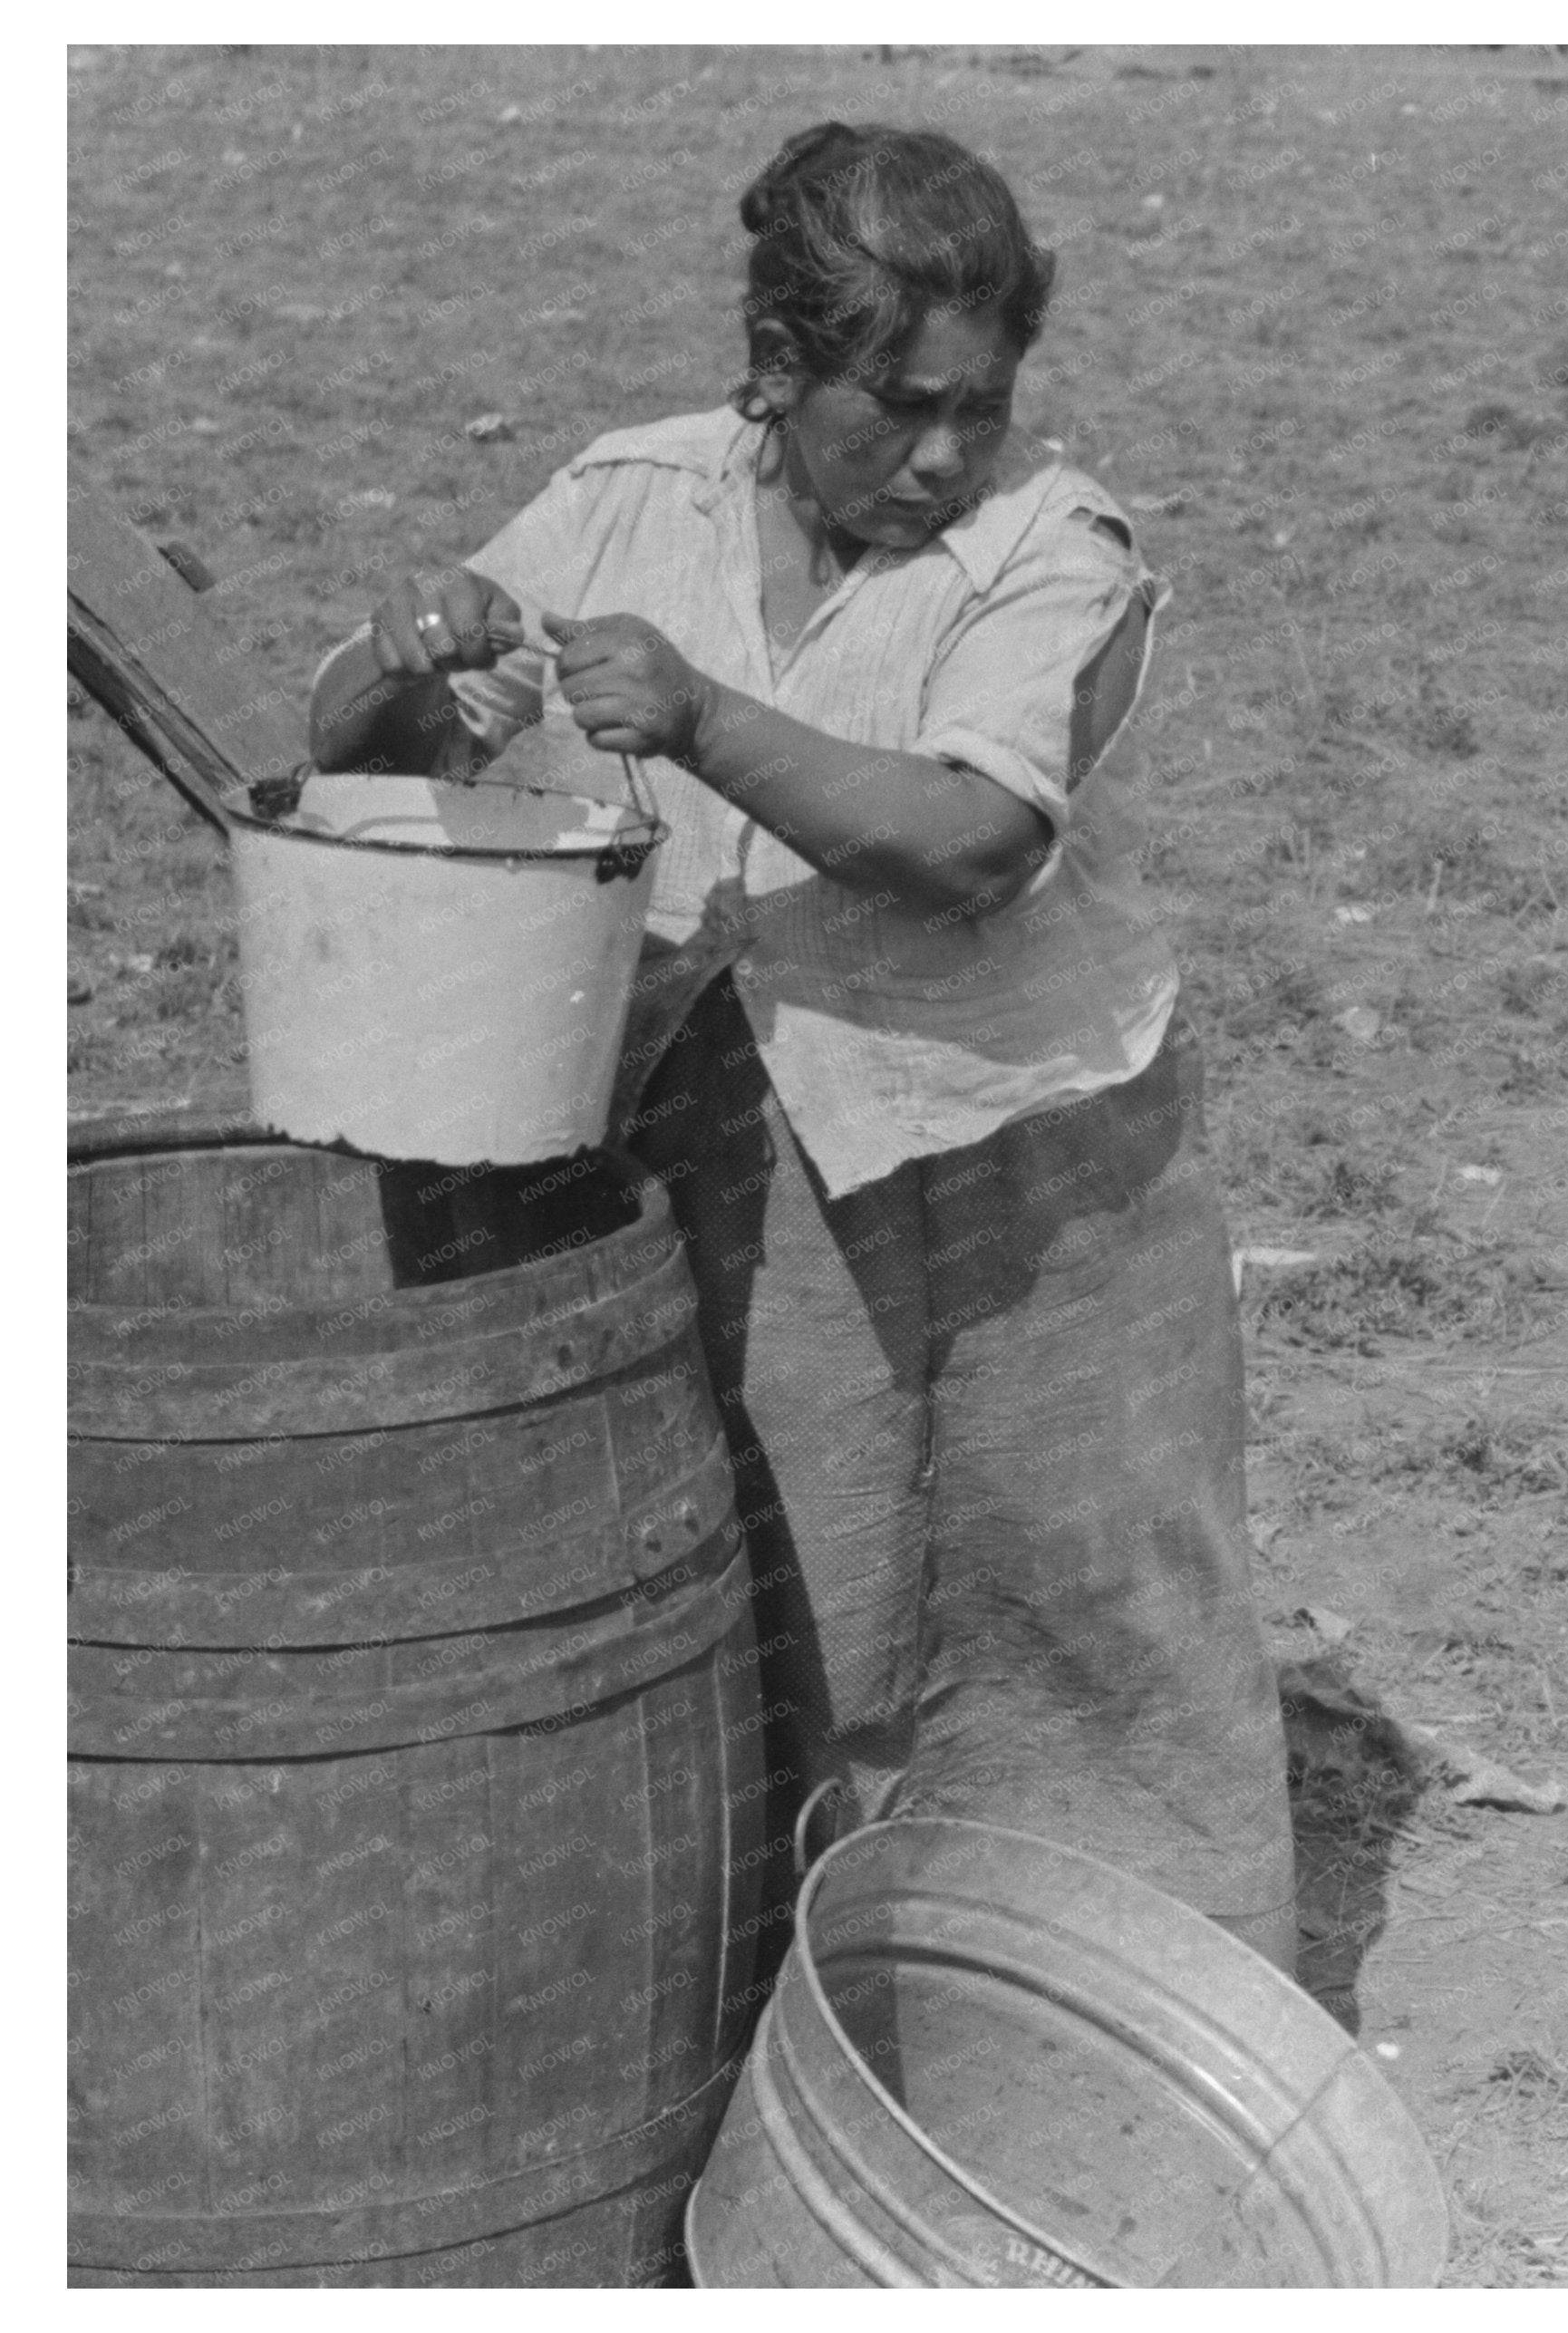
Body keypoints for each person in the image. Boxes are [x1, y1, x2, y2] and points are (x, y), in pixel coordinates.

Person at [307, 121, 1298, 1979]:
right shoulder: (633, 498)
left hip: (1037, 1155)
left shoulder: (1048, 544)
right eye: (895, 404)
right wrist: (406, 658)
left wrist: (695, 714)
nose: (940, 454)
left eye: (977, 408)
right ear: (776, 371)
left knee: (1096, 1611)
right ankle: (842, 2016)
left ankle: (1152, 2032)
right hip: (757, 1130)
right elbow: (364, 742)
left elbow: (967, 841)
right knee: (818, 1602)